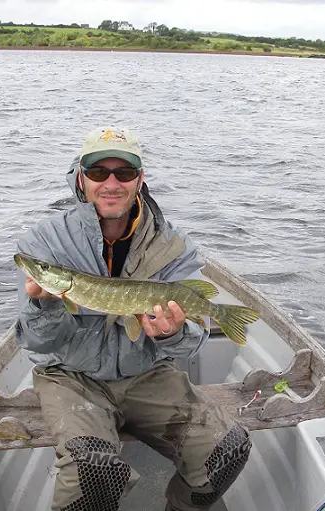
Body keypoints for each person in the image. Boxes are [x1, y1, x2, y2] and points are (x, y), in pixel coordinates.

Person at [14, 127, 251, 511]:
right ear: (80, 178)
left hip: (148, 374)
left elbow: (195, 338)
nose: (111, 183)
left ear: (140, 180)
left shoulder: (173, 245)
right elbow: (37, 343)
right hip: (72, 377)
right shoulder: (45, 242)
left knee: (228, 450)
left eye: (124, 173)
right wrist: (45, 306)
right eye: (98, 172)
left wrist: (173, 333)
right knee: (92, 470)